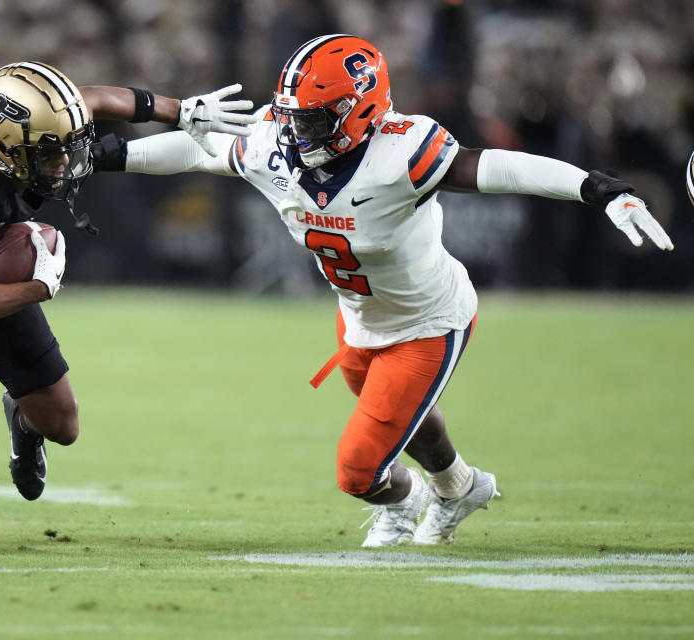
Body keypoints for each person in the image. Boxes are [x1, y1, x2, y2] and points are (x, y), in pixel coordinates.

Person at [93, 34, 674, 547]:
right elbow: (202, 149)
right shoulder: (275, 143)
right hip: (358, 319)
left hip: (428, 321)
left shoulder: (402, 151)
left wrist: (597, 188)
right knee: (407, 417)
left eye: (315, 119)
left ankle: (404, 504)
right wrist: (114, 155)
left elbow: (498, 167)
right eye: (294, 115)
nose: (297, 129)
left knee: (358, 468)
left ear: (360, 111)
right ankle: (460, 488)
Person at [0, 61, 258, 549]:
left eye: (68, 147)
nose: (65, 163)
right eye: (52, 155)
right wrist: (36, 288)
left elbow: (93, 97)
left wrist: (181, 111)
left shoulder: (40, 133)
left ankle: (23, 420)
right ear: (7, 151)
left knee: (62, 427)